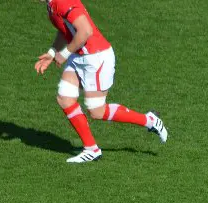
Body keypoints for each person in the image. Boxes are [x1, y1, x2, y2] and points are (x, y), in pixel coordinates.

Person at [33, 0, 168, 163]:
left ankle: (150, 120)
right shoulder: (51, 5)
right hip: (79, 56)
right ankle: (91, 149)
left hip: (95, 58)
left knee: (96, 111)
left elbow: (85, 31)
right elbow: (65, 30)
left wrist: (64, 54)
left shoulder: (63, 2)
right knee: (64, 97)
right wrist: (53, 52)